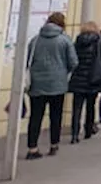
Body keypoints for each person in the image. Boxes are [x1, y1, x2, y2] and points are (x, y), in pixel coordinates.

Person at [25, 12, 77, 160]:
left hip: (36, 84)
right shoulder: (65, 40)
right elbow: (74, 62)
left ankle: (32, 148)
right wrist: (63, 71)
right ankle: (54, 145)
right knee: (56, 116)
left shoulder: (35, 40)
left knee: (35, 117)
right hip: (57, 84)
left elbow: (27, 60)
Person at [68, 21, 101, 143]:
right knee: (91, 106)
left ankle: (74, 135)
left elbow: (72, 59)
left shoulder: (77, 42)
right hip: (93, 78)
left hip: (78, 79)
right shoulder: (99, 41)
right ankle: (88, 130)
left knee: (77, 108)